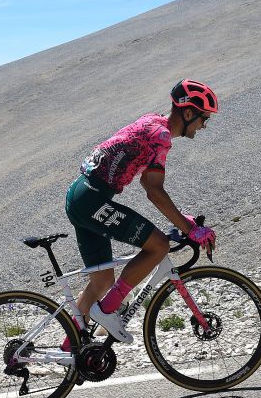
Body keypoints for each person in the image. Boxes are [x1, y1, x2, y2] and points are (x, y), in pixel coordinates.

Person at [63, 79, 218, 345]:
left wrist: (184, 221)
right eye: (203, 119)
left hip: (80, 195)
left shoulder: (153, 122)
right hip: (91, 200)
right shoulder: (161, 136)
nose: (204, 126)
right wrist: (189, 229)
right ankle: (107, 313)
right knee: (158, 246)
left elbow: (149, 184)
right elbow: (154, 190)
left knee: (101, 281)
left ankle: (73, 349)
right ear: (189, 113)